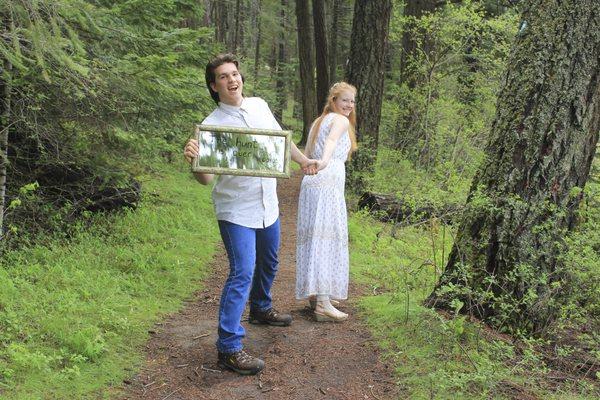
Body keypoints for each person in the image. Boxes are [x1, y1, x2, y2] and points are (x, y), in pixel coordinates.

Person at [183, 54, 317, 375]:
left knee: (269, 261)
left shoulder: (259, 105)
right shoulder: (212, 125)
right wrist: (195, 161)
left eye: (235, 73)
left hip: (267, 203)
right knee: (242, 271)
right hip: (235, 209)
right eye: (224, 77)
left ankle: (260, 308)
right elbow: (206, 179)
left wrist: (303, 161)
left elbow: (281, 142)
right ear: (214, 87)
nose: (232, 80)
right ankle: (228, 347)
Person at [295, 82, 358, 322]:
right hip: (326, 176)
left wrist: (317, 162)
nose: (349, 106)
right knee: (326, 237)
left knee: (314, 237)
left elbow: (310, 148)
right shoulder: (339, 121)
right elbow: (330, 143)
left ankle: (318, 295)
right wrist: (324, 161)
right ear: (333, 100)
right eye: (345, 100)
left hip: (311, 181)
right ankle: (323, 304)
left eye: (352, 101)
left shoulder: (317, 122)